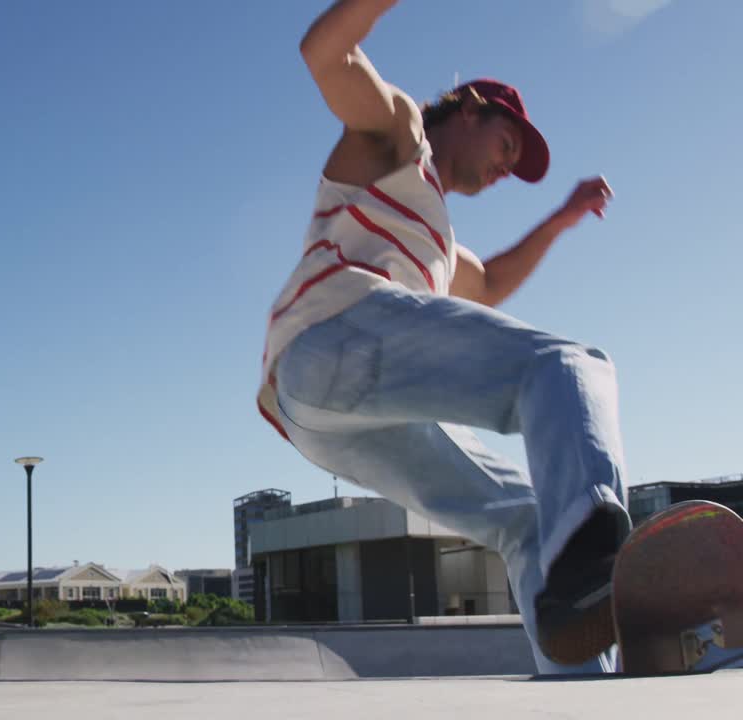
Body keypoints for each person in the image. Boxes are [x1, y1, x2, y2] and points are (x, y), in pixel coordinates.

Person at [257, 0, 629, 675]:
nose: (503, 171)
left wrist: (562, 218)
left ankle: (580, 672)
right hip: (333, 335)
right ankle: (598, 562)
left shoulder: (435, 236)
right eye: (505, 148)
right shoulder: (397, 135)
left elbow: (485, 288)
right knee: (567, 366)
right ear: (469, 109)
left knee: (525, 519)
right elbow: (324, 54)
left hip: (324, 417)